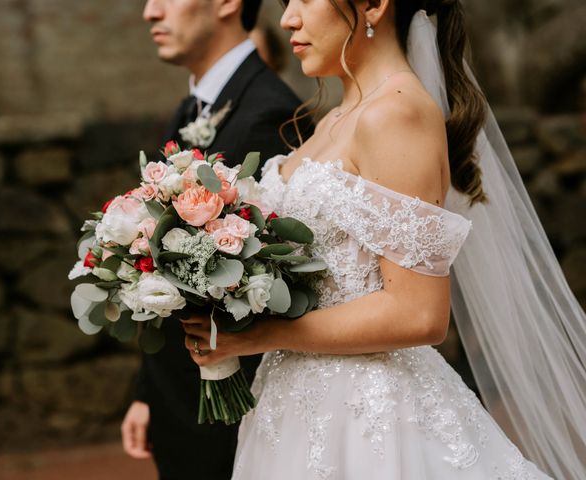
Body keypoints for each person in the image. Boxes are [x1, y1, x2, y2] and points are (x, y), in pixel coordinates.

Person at [182, 0, 586, 479]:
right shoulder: (333, 120)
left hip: (370, 414)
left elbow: (419, 313)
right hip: (293, 406)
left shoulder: (397, 113)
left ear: (373, 6)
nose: (288, 19)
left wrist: (263, 335)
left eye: (305, 0)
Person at [121, 1, 312, 479]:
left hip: (227, 416)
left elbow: (272, 286)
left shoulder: (271, 114)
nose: (150, 12)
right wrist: (148, 391)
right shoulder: (195, 107)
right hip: (178, 404)